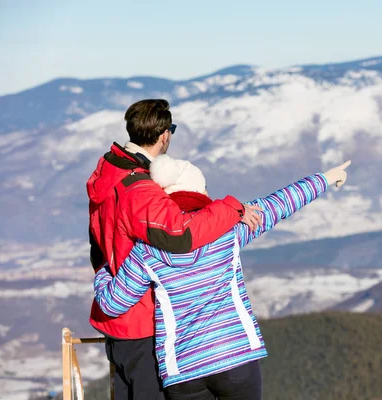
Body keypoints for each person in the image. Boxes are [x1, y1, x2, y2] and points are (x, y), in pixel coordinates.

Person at [93, 154, 351, 400]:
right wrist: (324, 179)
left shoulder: (147, 249)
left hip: (183, 371)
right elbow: (280, 203)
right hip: (235, 357)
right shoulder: (229, 229)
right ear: (200, 191)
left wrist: (104, 268)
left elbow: (113, 303)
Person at [86, 99, 262, 400]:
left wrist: (105, 276)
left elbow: (97, 245)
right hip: (143, 324)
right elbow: (182, 235)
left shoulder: (108, 173)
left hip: (118, 325)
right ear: (164, 135)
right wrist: (233, 208)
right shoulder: (140, 190)